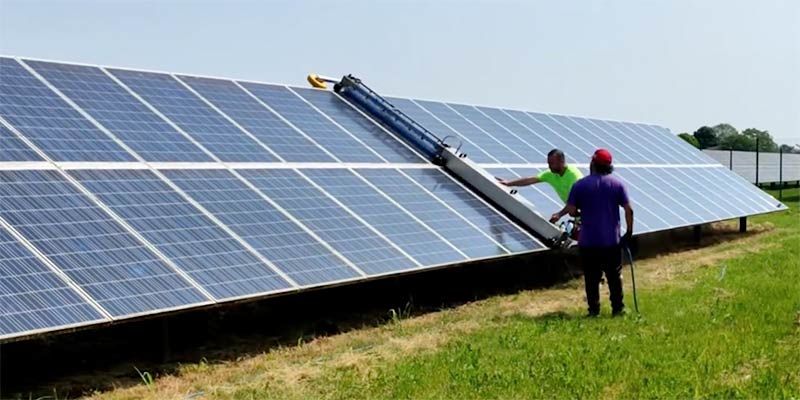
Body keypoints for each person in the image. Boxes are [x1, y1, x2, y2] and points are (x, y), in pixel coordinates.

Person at [550, 149, 634, 316]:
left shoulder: (580, 185)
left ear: (593, 164)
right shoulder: (617, 185)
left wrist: (574, 212)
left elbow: (572, 211)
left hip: (588, 241)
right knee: (614, 276)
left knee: (591, 277)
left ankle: (593, 310)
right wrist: (629, 233)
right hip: (611, 241)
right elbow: (629, 210)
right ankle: (618, 309)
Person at [496, 148, 583, 211]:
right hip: (575, 211)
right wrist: (509, 183)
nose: (549, 166)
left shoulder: (574, 177)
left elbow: (575, 202)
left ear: (561, 161)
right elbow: (530, 180)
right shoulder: (550, 174)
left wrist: (559, 214)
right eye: (548, 163)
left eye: (552, 163)